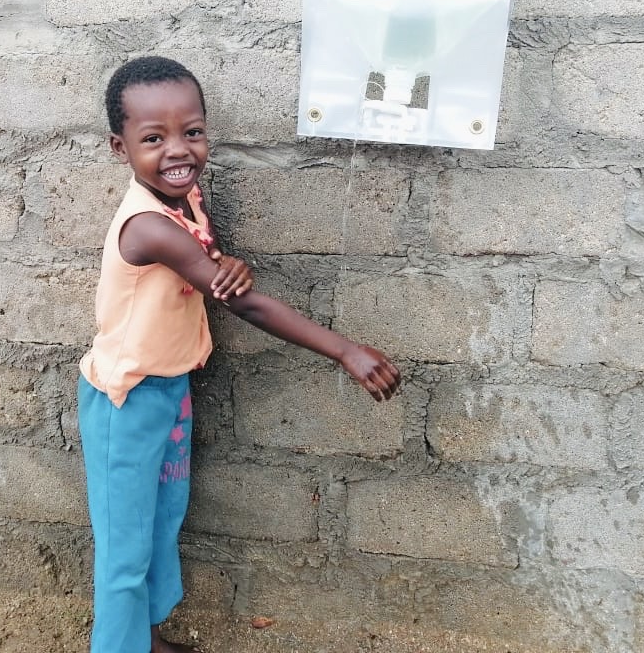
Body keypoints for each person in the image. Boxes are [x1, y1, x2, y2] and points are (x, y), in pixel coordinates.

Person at [77, 55, 401, 653]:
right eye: (153, 139)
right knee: (124, 546)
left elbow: (216, 268)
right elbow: (244, 304)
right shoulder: (147, 226)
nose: (178, 150)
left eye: (191, 132)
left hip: (168, 390)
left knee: (159, 524)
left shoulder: (189, 200)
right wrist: (345, 351)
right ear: (120, 148)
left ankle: (142, 641)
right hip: (125, 402)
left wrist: (228, 264)